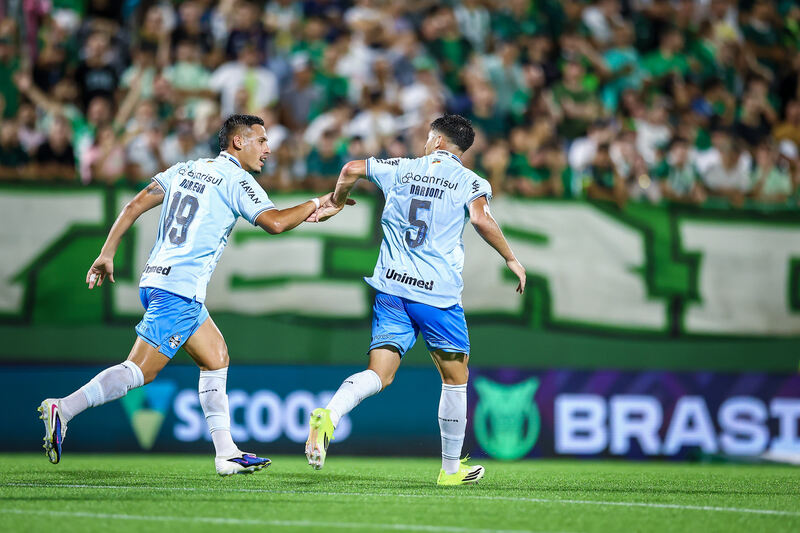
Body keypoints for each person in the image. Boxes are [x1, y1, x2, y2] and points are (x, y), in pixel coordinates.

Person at [38, 114, 352, 476]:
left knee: (216, 356)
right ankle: (64, 408)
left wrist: (107, 252)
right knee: (138, 371)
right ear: (238, 142)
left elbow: (133, 206)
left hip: (157, 280)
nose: (268, 149)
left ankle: (226, 453)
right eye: (261, 141)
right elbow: (276, 223)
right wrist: (317, 203)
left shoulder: (186, 168)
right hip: (179, 290)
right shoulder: (236, 179)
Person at [304, 114, 526, 486]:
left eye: (428, 137)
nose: (425, 143)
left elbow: (351, 167)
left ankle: (330, 415)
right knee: (455, 379)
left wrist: (338, 201)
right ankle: (450, 471)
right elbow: (482, 219)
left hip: (391, 289)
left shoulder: (401, 167)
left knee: (379, 374)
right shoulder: (471, 181)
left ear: (438, 142)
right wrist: (510, 257)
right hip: (437, 296)